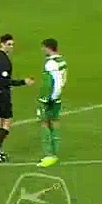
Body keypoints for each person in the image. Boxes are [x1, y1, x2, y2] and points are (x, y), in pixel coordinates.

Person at [0, 34, 33, 163]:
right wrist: (23, 82)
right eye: (9, 44)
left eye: (12, 44)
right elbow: (4, 81)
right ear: (2, 44)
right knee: (7, 121)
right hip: (2, 94)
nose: (11, 47)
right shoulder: (3, 60)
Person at [37, 38, 67, 167]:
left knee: (44, 122)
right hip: (57, 96)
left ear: (48, 48)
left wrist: (47, 98)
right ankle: (56, 151)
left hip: (49, 97)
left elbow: (52, 82)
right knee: (55, 121)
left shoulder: (50, 63)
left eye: (43, 47)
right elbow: (63, 79)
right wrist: (57, 94)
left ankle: (49, 155)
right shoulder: (62, 61)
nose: (42, 50)